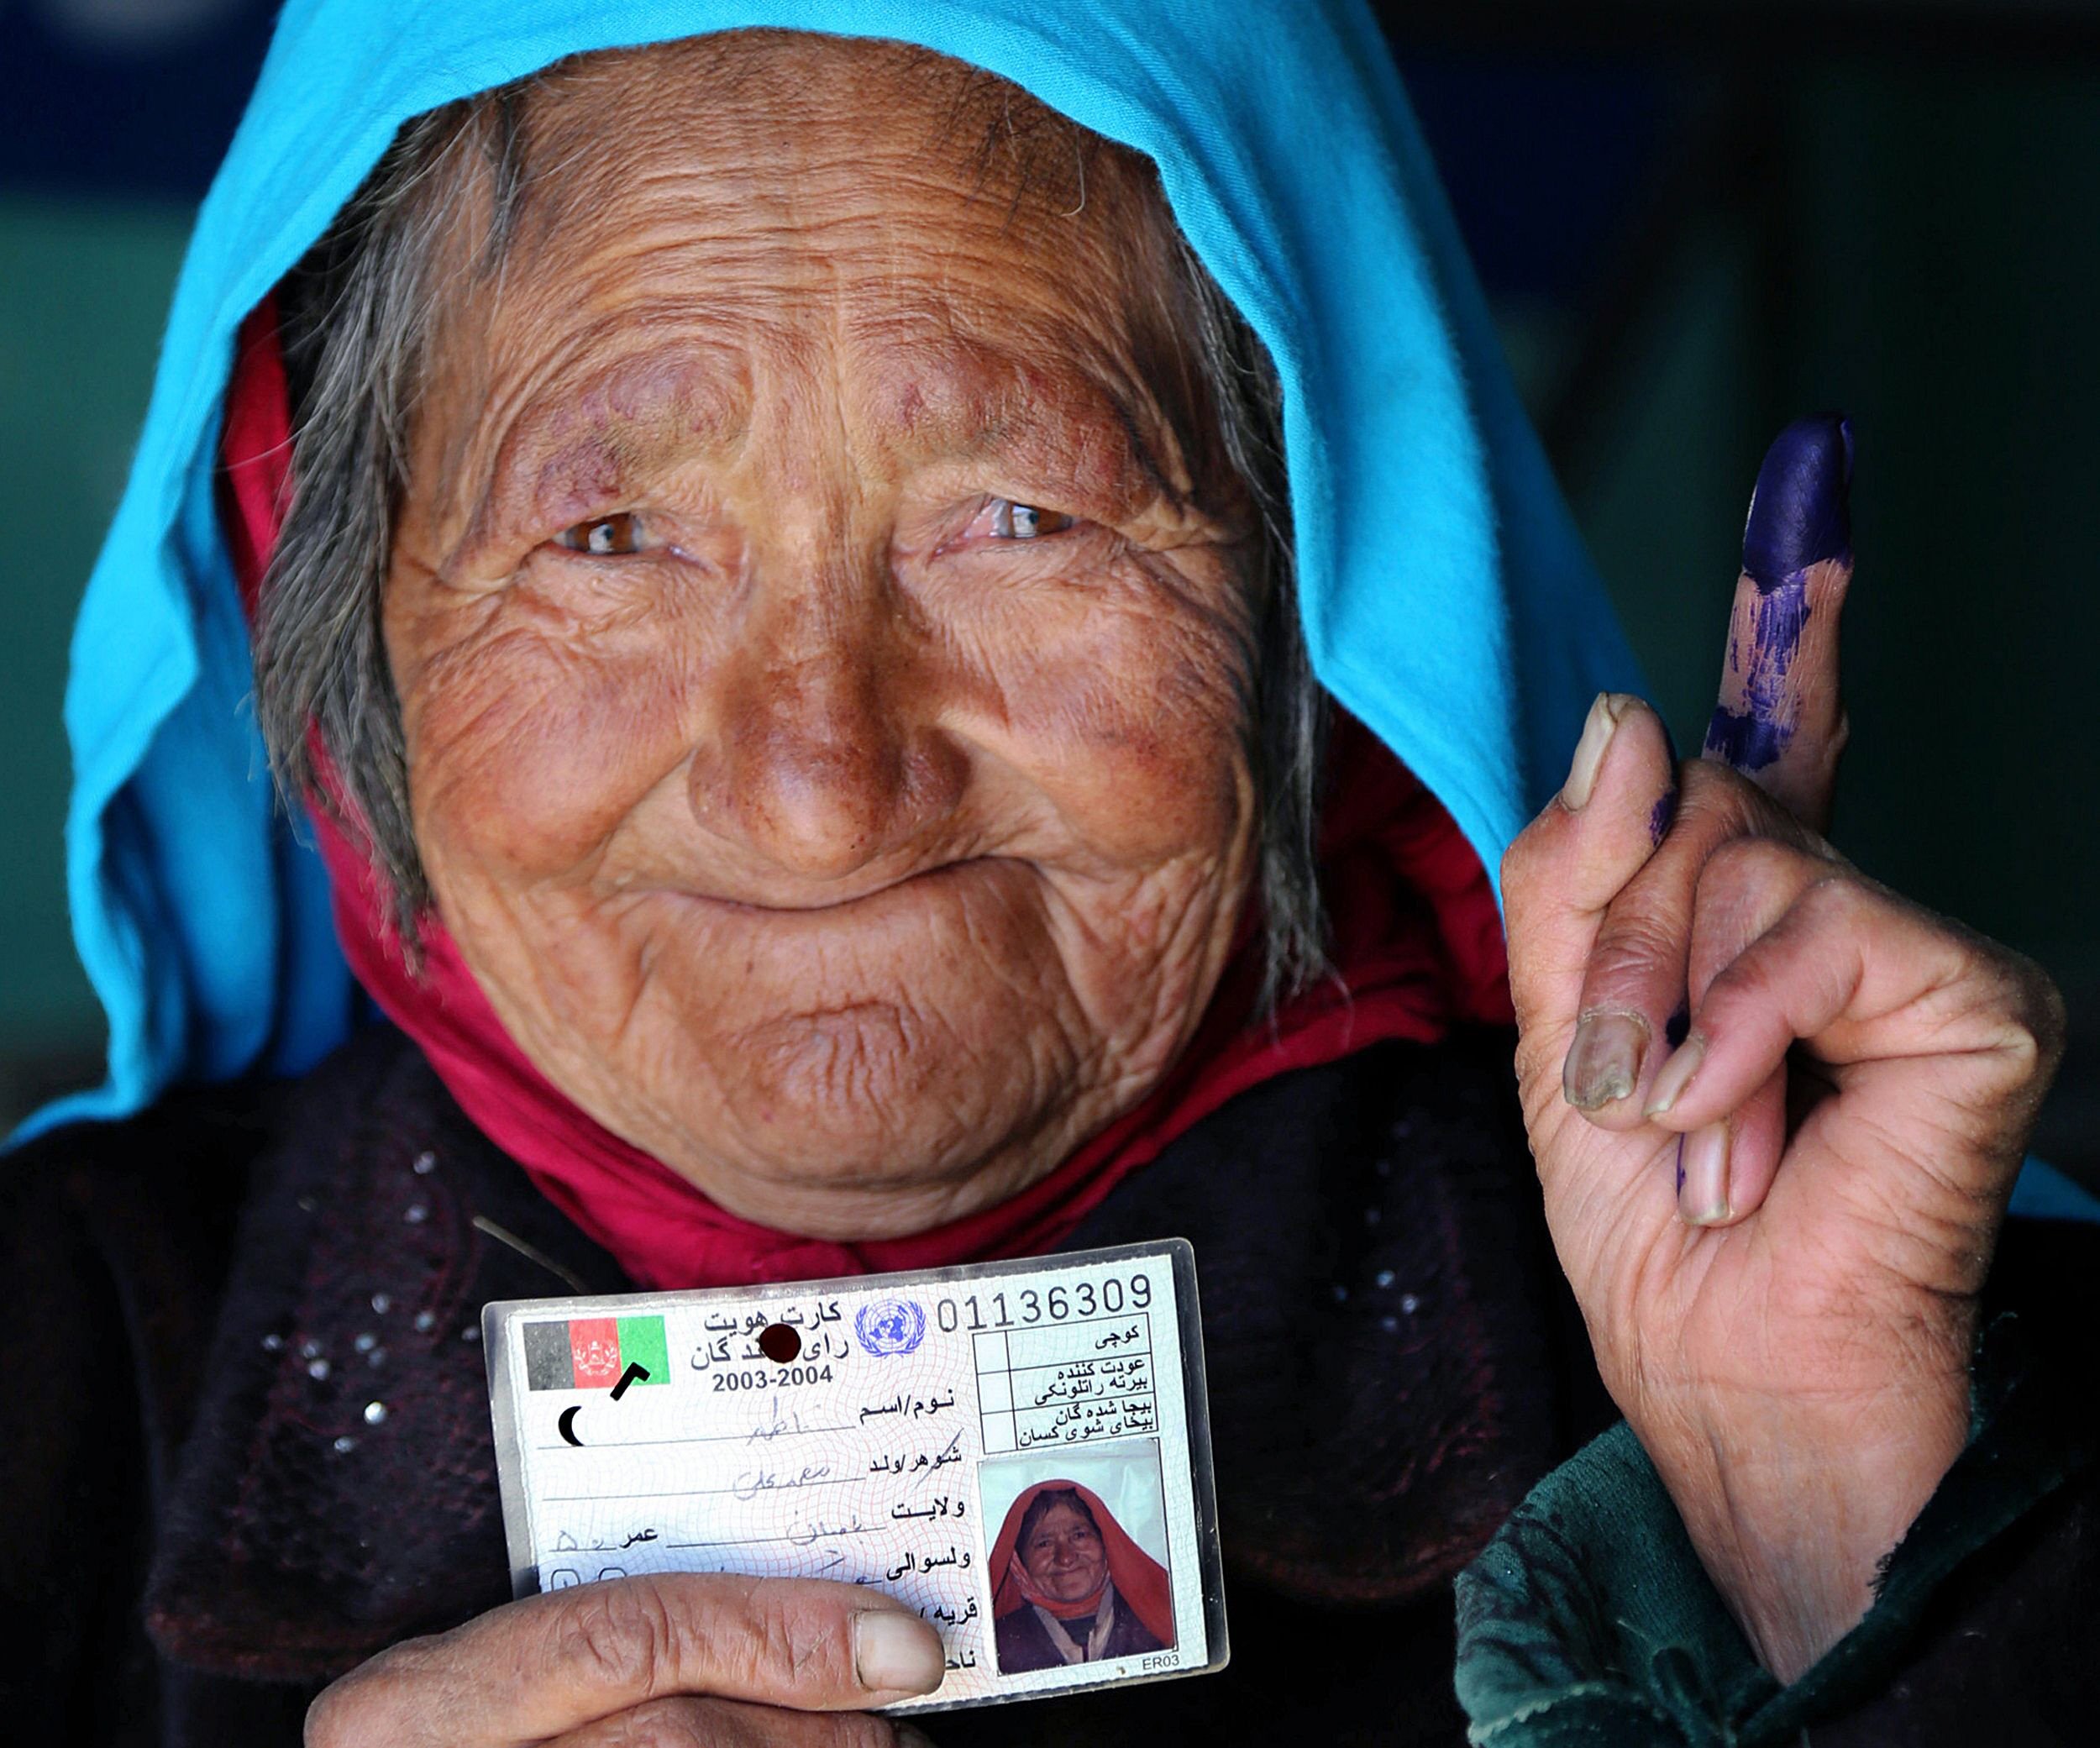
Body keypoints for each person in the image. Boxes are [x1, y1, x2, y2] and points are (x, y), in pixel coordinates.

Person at [3, 3, 2096, 1745]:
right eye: (608, 537)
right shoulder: (54, 1400)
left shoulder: (1886, 1364)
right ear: (334, 610)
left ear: (1322, 597)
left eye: (1021, 515)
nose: (824, 788)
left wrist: (1838, 1545)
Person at [989, 1483, 1173, 1674]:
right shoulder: (995, 1648)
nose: (1066, 1558)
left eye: (1079, 1535)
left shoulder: (1161, 1624)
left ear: (1105, 1542)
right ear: (1019, 1563)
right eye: (1044, 1543)